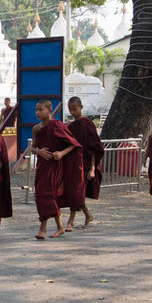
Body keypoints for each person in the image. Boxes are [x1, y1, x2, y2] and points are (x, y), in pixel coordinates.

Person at [31, 99, 84, 239]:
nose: (37, 112)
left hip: (54, 166)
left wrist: (61, 153)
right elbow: (32, 147)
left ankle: (43, 229)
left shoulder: (57, 125)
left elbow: (73, 144)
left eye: (41, 109)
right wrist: (38, 152)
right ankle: (59, 227)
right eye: (36, 110)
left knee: (48, 195)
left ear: (49, 110)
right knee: (41, 196)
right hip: (42, 165)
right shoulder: (36, 128)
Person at [65, 97, 104, 230]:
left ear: (81, 107)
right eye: (70, 109)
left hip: (86, 163)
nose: (72, 111)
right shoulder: (71, 125)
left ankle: (70, 221)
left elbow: (94, 148)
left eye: (74, 109)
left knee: (77, 192)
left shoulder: (88, 124)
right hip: (72, 163)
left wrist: (92, 168)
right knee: (74, 192)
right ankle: (88, 215)